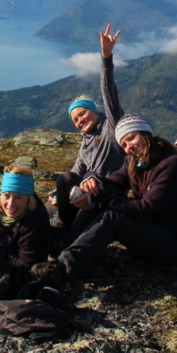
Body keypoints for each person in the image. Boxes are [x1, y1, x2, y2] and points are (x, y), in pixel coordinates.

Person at [32, 114, 177, 286]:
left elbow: (145, 209)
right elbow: (112, 182)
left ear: (144, 133)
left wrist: (101, 193)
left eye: (131, 138)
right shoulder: (136, 161)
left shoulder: (170, 164)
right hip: (151, 228)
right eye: (123, 144)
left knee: (112, 216)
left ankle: (62, 270)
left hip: (173, 241)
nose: (128, 147)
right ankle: (66, 250)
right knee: (100, 198)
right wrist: (92, 179)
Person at [48, 24, 125, 232]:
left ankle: (62, 225)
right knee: (38, 208)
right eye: (75, 120)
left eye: (82, 113)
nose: (79, 120)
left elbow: (109, 92)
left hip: (106, 194)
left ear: (94, 111)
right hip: (85, 194)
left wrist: (106, 56)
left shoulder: (112, 126)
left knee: (66, 180)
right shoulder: (85, 145)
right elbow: (76, 172)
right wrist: (58, 194)